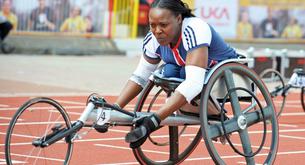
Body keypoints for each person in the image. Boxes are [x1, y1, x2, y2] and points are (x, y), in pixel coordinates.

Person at [100, 0, 238, 149]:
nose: (157, 31)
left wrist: (154, 120)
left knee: (182, 72)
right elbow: (140, 77)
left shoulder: (195, 28)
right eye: (152, 25)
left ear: (178, 19)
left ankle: (215, 114)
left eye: (163, 25)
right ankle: (197, 110)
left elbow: (194, 83)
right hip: (192, 78)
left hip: (225, 74)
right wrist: (114, 109)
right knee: (167, 73)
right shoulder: (153, 39)